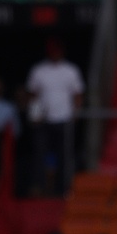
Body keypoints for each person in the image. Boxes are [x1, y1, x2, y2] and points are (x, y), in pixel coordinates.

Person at [26, 40, 84, 197]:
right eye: (53, 51)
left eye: (58, 51)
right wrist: (34, 114)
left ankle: (63, 188)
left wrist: (75, 114)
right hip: (43, 119)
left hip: (64, 119)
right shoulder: (39, 70)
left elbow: (77, 95)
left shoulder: (70, 70)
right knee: (39, 153)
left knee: (64, 155)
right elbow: (33, 94)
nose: (55, 54)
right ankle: (38, 186)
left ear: (62, 52)